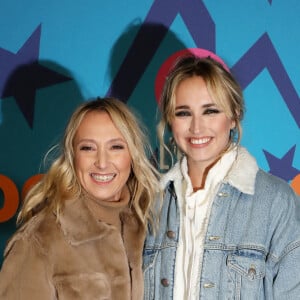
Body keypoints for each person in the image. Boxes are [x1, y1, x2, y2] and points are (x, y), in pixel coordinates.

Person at [143, 54, 300, 299]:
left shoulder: (276, 201)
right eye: (184, 113)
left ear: (234, 115)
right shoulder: (151, 203)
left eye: (210, 111)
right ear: (170, 120)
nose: (196, 127)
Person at [0, 97, 159, 299]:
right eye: (88, 148)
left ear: (133, 154)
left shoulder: (149, 229)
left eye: (116, 147)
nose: (102, 162)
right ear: (72, 155)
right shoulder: (40, 239)